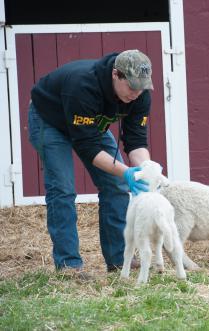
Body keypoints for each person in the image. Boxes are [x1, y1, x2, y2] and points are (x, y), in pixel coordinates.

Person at [28, 49, 155, 275]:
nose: (136, 93)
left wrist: (146, 171)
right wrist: (126, 171)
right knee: (63, 189)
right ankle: (68, 265)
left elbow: (136, 140)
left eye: (141, 87)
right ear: (116, 74)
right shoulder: (84, 85)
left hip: (89, 125)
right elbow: (88, 147)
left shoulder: (140, 94)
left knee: (117, 185)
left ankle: (119, 260)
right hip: (51, 119)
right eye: (132, 86)